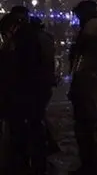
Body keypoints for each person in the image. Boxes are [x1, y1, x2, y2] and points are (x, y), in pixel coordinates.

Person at [1, 10, 56, 174]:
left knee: (24, 128)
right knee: (35, 124)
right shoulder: (38, 36)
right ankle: (37, 161)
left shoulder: (23, 40)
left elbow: (18, 67)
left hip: (25, 91)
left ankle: (24, 163)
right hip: (38, 89)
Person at [69, 0, 97, 175]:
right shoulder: (96, 27)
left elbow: (84, 56)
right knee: (89, 127)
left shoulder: (92, 28)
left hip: (89, 83)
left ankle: (92, 165)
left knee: (88, 127)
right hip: (89, 82)